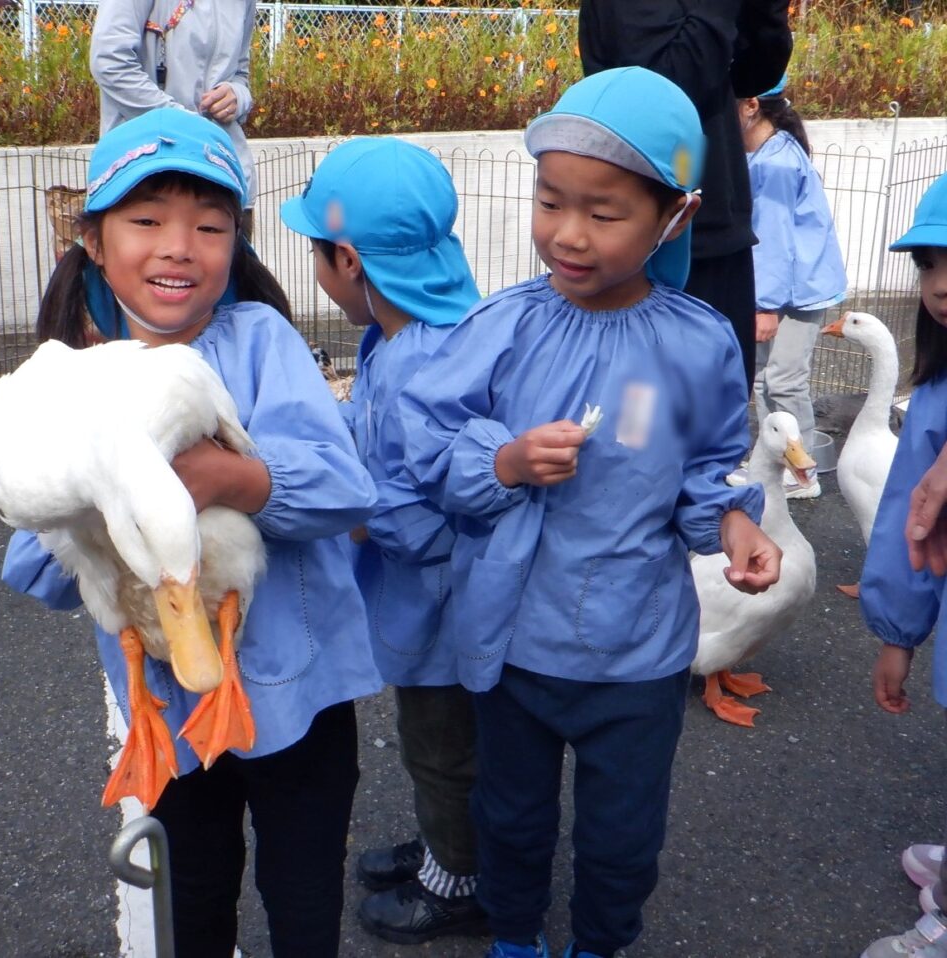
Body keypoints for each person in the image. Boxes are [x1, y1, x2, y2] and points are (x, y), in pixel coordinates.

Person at [396, 66, 782, 958]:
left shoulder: (696, 343)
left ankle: (601, 942)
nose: (568, 234)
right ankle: (516, 937)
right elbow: (425, 449)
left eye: (604, 213)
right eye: (550, 202)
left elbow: (706, 469)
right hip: (515, 644)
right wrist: (504, 461)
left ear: (676, 216)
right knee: (510, 816)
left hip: (637, 653)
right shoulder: (501, 327)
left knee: (622, 838)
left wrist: (735, 525)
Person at [0, 108, 383, 958]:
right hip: (169, 720)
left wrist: (230, 477)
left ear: (235, 245)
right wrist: (89, 498)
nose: (179, 247)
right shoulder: (76, 380)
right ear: (93, 242)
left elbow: (347, 489)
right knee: (193, 895)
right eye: (146, 221)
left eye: (210, 227)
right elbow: (37, 565)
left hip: (300, 698)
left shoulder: (263, 343)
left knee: (304, 893)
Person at [280, 137, 489, 944]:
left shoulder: (419, 369)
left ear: (348, 260)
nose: (319, 271)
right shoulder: (410, 334)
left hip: (445, 611)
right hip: (436, 602)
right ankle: (447, 843)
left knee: (442, 748)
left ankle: (459, 880)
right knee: (441, 741)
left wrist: (345, 509)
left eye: (318, 254)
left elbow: (431, 514)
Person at [577, 0, 792, 393]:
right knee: (643, 406)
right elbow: (665, 89)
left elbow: (755, 73)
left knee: (722, 392)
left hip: (719, 225)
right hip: (652, 234)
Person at [858, 171, 947, 958]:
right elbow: (911, 522)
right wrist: (899, 629)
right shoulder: (936, 388)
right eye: (928, 264)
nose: (940, 284)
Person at [737, 77, 848, 499]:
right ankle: (773, 466)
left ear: (750, 105)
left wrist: (763, 306)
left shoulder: (776, 162)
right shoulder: (766, 152)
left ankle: (804, 475)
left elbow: (774, 239)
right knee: (765, 378)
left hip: (797, 290)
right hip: (787, 285)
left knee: (783, 379)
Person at [89, 0, 258, 222]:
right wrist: (183, 125)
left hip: (224, 180)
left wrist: (237, 95)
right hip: (144, 178)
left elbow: (240, 74)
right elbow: (110, 62)